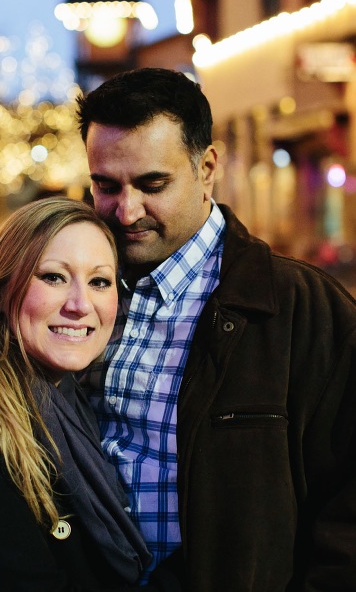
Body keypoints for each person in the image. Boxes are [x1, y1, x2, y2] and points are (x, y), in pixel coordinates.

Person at [77, 67, 356, 590]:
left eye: (152, 184)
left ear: (206, 168)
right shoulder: (74, 297)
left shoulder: (304, 309)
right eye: (105, 185)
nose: (126, 210)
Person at [0, 197, 182, 591]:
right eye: (54, 277)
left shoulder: (75, 401)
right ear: (3, 287)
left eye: (99, 281)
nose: (80, 305)